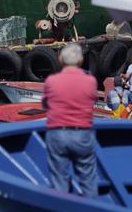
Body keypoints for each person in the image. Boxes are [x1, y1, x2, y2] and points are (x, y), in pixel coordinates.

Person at [42, 43, 98, 198]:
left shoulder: (51, 81)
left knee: (59, 181)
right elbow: (92, 101)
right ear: (80, 60)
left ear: (60, 59)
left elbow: (45, 104)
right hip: (83, 134)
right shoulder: (90, 81)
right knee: (88, 180)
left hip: (58, 134)